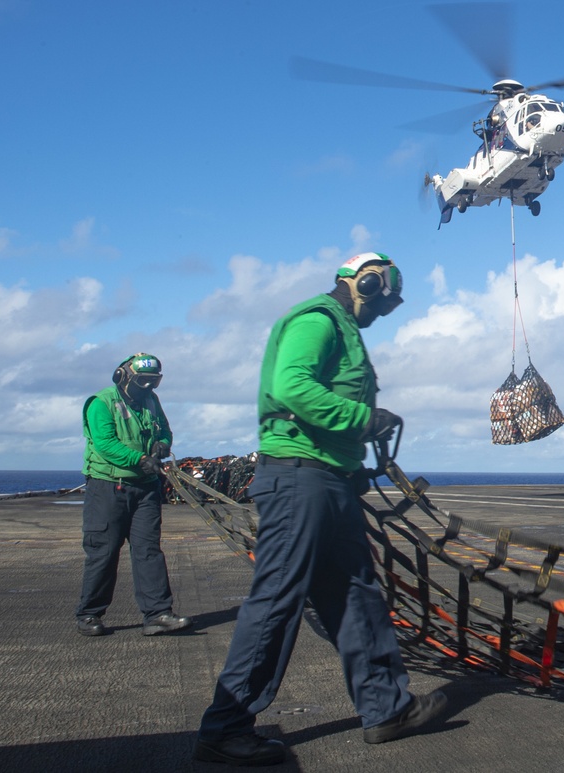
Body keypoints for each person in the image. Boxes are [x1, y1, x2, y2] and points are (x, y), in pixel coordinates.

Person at [195, 253, 447, 767]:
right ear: (369, 283)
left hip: (330, 482)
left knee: (357, 597)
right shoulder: (317, 320)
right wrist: (363, 417)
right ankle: (225, 728)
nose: (386, 313)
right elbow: (293, 386)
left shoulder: (347, 331)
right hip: (298, 479)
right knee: (277, 600)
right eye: (387, 301)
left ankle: (386, 709)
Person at [76, 353, 191, 637]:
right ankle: (90, 614)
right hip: (108, 488)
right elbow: (105, 444)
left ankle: (158, 614)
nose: (149, 388)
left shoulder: (152, 401)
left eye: (154, 382)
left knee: (149, 550)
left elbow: (165, 430)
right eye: (143, 381)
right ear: (123, 377)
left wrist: (162, 446)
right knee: (103, 551)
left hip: (145, 489)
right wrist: (140, 459)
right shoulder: (101, 403)